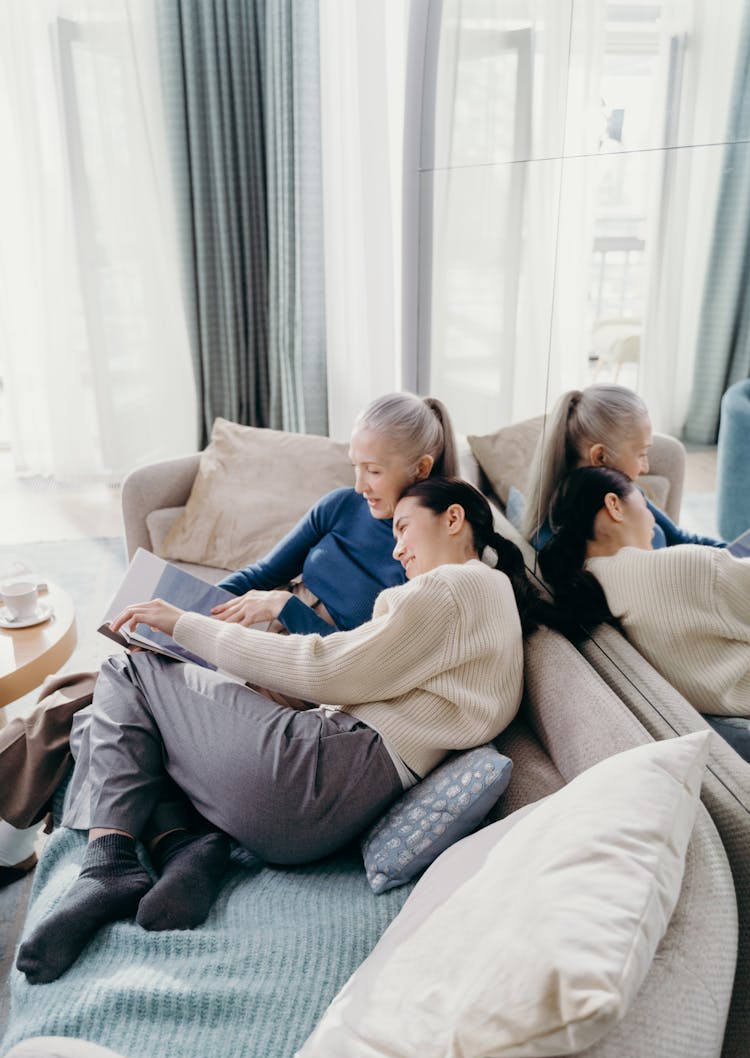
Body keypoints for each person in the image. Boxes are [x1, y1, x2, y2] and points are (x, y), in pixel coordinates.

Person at [16, 478, 540, 985]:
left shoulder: (455, 586)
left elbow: (330, 668)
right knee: (111, 719)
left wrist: (186, 625)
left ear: (453, 519)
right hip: (323, 813)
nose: (398, 549)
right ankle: (183, 848)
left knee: (126, 671)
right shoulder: (486, 604)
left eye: (403, 528)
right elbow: (357, 680)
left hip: (315, 771)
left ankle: (109, 864)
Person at [0, 392, 458, 885]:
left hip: (304, 675)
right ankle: (35, 843)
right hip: (258, 638)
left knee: (88, 703)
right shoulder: (340, 506)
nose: (359, 484)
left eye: (372, 470)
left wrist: (289, 610)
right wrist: (185, 609)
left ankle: (18, 842)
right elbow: (263, 571)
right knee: (91, 690)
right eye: (354, 466)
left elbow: (353, 664)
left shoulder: (425, 557)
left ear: (420, 468)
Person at [537, 466, 750, 736]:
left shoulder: (589, 588)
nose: (652, 519)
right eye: (645, 502)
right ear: (614, 505)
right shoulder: (686, 568)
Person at [522, 384, 725, 550]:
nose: (645, 467)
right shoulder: (567, 544)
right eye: (641, 454)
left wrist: (734, 555)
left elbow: (680, 539)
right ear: (600, 457)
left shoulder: (628, 494)